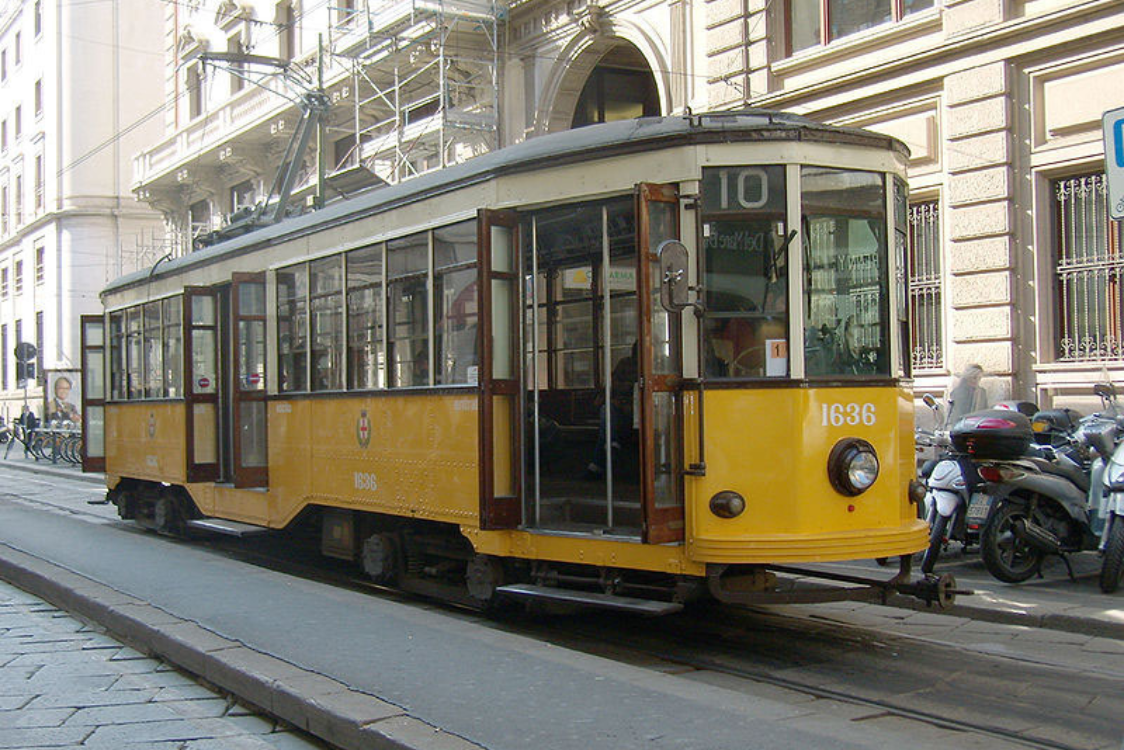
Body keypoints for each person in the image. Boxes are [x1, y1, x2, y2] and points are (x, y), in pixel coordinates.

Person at [586, 341, 638, 479]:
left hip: (640, 412)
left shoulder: (655, 365)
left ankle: (597, 464)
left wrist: (626, 401)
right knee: (606, 409)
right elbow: (612, 384)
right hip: (619, 410)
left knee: (606, 431)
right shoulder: (625, 363)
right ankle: (612, 443)